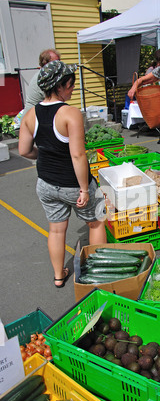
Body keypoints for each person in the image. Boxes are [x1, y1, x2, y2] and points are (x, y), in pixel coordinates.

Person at [19, 60, 106, 288]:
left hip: (46, 183)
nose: (73, 88)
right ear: (59, 86)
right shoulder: (70, 113)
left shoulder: (30, 115)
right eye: (70, 84)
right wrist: (85, 189)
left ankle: (59, 276)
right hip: (73, 184)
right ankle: (99, 273)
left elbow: (24, 150)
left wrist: (45, 155)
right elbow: (78, 156)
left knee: (56, 229)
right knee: (96, 223)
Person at [21, 48, 61, 118]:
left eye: (59, 61)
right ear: (46, 63)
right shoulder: (43, 77)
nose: (59, 65)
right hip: (32, 117)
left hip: (39, 115)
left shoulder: (47, 75)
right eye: (55, 62)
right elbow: (53, 100)